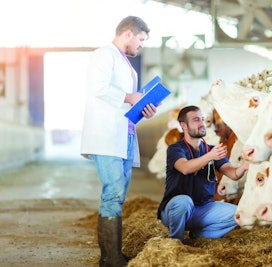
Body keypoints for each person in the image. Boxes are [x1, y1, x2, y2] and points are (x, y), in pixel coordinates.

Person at [80, 16, 156, 267]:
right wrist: (130, 96)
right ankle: (111, 258)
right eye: (141, 39)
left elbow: (124, 104)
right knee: (113, 193)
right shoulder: (104, 55)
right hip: (106, 136)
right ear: (128, 34)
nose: (142, 45)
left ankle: (110, 256)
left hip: (123, 134)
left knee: (118, 194)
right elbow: (98, 89)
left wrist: (142, 107)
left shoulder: (125, 63)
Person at [157, 105, 248, 242]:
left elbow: (233, 174)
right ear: (184, 125)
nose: (202, 123)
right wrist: (210, 156)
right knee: (184, 201)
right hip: (175, 209)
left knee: (237, 213)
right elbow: (185, 168)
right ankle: (176, 241)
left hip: (202, 208)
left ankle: (199, 236)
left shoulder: (210, 150)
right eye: (196, 120)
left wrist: (245, 165)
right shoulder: (175, 149)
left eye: (202, 119)